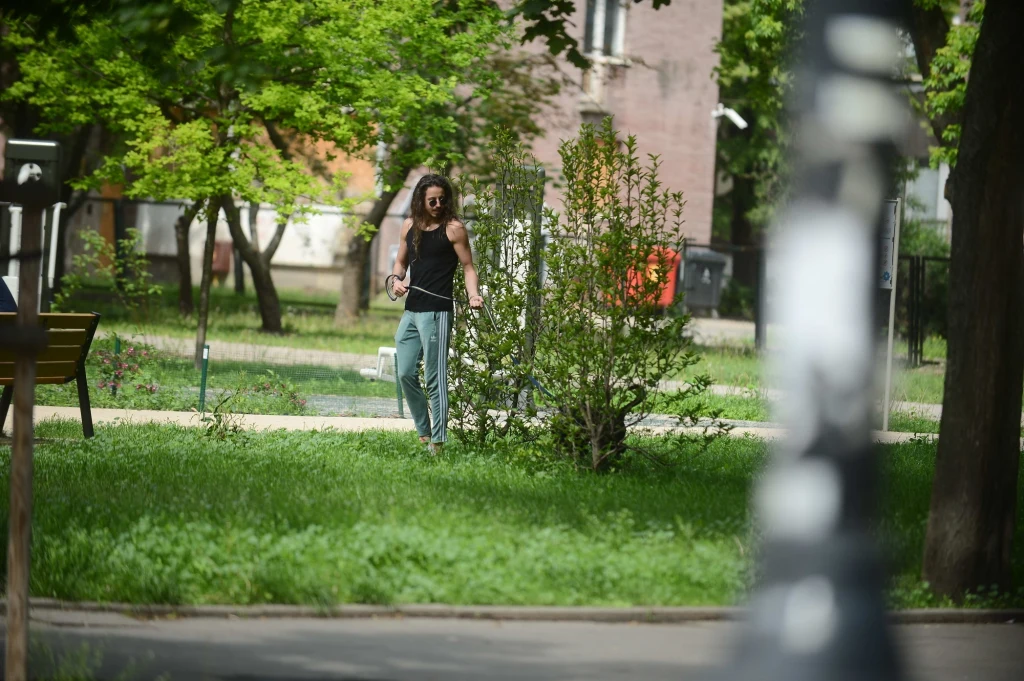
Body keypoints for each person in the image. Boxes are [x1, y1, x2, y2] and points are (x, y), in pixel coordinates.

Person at [391, 175, 483, 453]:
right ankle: (423, 428)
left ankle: (438, 441)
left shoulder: (454, 228)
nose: (438, 204)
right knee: (405, 371)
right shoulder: (409, 225)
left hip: (437, 313)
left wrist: (473, 295)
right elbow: (400, 262)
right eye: (432, 200)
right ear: (421, 199)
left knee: (435, 377)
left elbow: (468, 267)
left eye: (443, 199)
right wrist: (396, 280)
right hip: (411, 310)